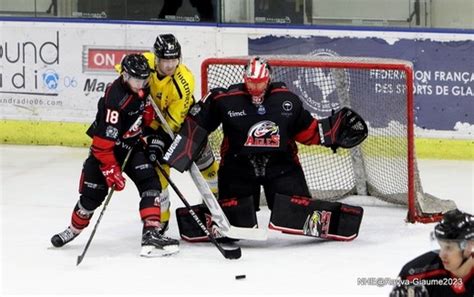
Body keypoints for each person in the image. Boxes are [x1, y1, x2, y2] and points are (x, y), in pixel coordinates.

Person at [169, 56, 368, 242]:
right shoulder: (225, 99)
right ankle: (222, 219)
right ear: (244, 78)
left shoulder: (287, 100)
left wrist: (331, 131)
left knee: (293, 210)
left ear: (269, 79)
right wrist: (183, 148)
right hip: (238, 166)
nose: (255, 88)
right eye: (251, 82)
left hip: (281, 165)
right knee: (239, 219)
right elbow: (198, 121)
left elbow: (308, 131)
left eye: (260, 83)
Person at [51, 54, 179, 257]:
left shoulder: (140, 87)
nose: (142, 84)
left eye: (145, 80)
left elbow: (142, 115)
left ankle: (151, 234)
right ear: (125, 76)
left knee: (151, 183)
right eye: (138, 80)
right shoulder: (115, 101)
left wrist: (145, 128)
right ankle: (72, 230)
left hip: (131, 147)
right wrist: (111, 169)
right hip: (107, 152)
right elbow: (102, 146)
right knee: (91, 199)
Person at [137, 33, 219, 235]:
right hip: (153, 126)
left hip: (185, 125)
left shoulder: (183, 83)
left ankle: (218, 203)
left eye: (174, 60)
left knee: (206, 166)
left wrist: (159, 139)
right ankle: (161, 220)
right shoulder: (143, 64)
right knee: (160, 176)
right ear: (156, 57)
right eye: (165, 60)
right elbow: (124, 73)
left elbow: (173, 124)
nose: (169, 65)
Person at [390, 209, 474, 297]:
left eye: (449, 247)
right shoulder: (415, 275)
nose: (441, 255)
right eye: (441, 246)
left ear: (468, 247)